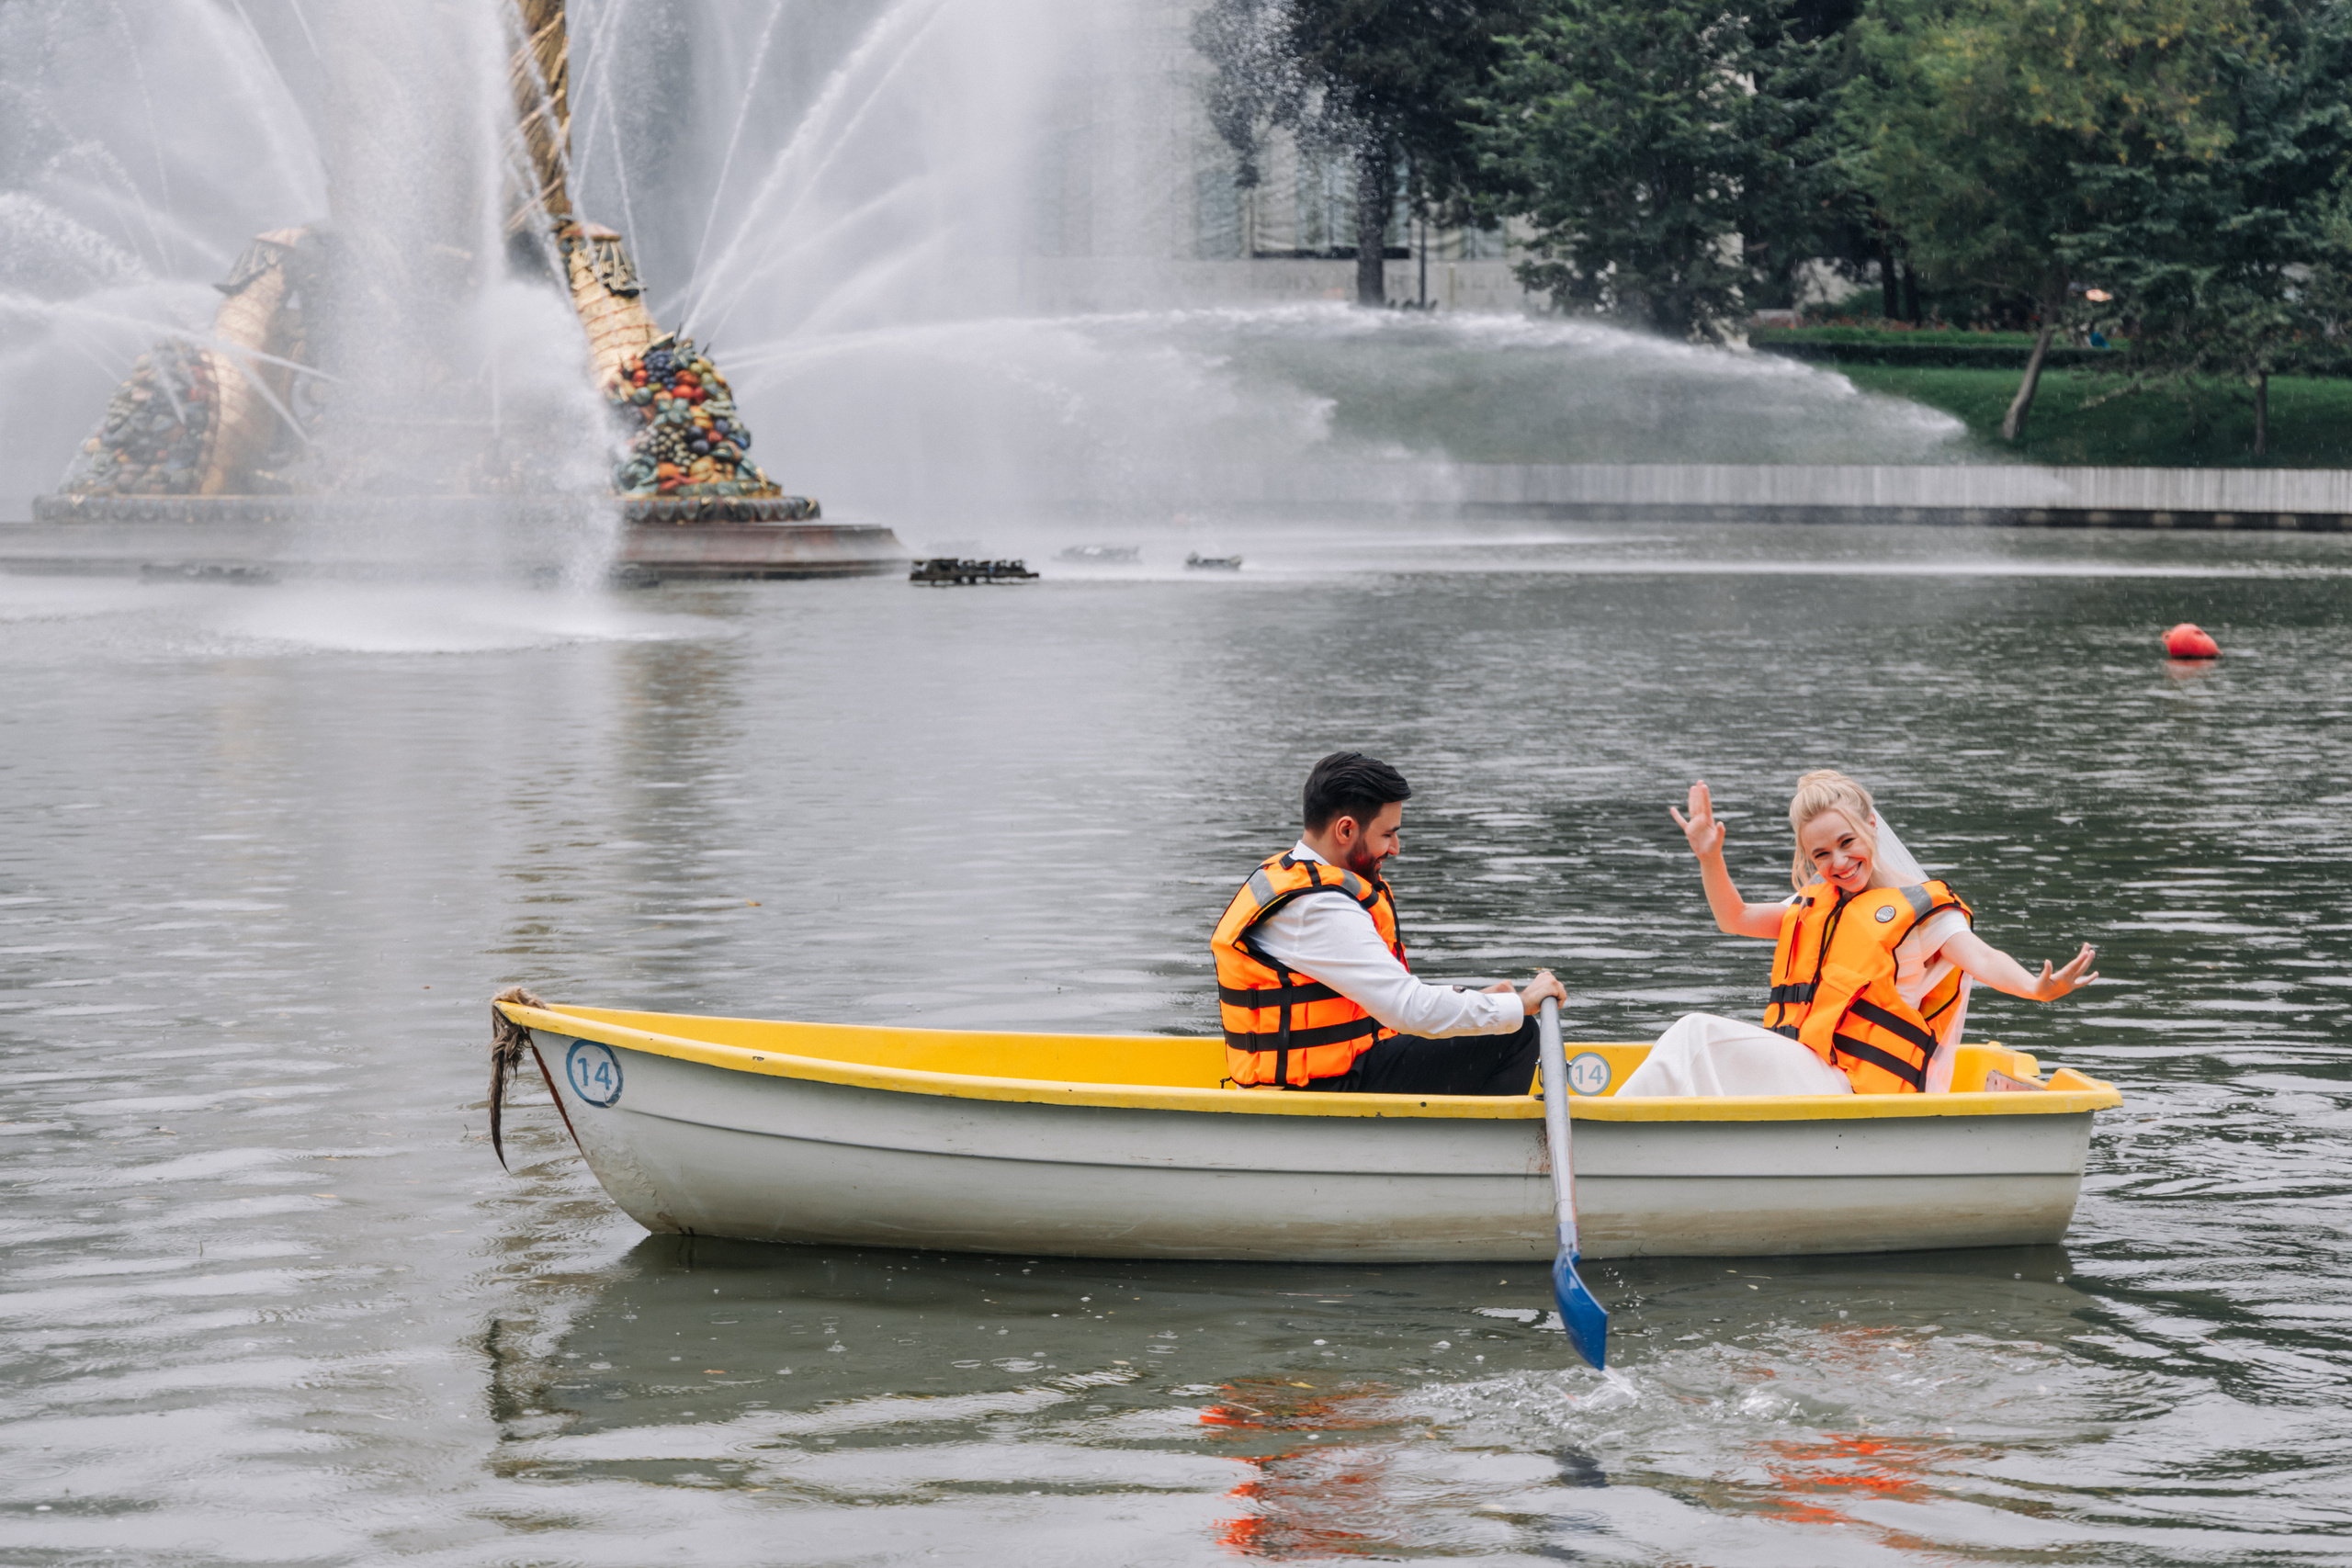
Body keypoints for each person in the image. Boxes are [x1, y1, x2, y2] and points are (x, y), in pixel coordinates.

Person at [1619, 769, 2098, 1097]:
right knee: (1697, 1045)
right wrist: (1710, 858)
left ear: (1871, 826)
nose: (1839, 863)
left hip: (1858, 1089)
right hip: (1810, 1071)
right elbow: (1736, 919)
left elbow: (1986, 959)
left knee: (1696, 1034)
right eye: (1821, 855)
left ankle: (1604, 1133)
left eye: (1847, 843)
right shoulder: (1816, 904)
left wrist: (2039, 989)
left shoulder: (1922, 912)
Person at [1211, 751, 1568, 1095]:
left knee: (1488, 1025)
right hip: (1321, 1087)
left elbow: (1390, 1001)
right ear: (1346, 830)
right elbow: (1409, 1008)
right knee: (1513, 1034)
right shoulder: (1319, 908)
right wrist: (1520, 1005)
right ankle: (1477, 1152)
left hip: (1327, 1072)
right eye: (1387, 834)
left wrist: (1476, 1004)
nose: (1395, 848)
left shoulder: (1290, 876)